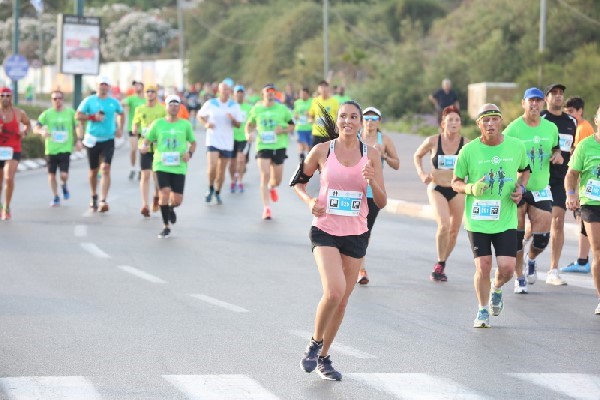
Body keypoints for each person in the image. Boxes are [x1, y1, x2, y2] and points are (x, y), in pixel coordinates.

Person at [292, 100, 386, 380]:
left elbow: (381, 201)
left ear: (361, 123)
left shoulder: (372, 154)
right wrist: (309, 201)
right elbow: (298, 181)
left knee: (343, 300)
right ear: (337, 122)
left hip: (356, 232)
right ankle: (314, 342)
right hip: (325, 229)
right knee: (333, 291)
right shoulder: (322, 150)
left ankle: (324, 357)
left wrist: (372, 182)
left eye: (353, 117)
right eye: (343, 116)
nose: (348, 121)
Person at [452, 104, 530, 328]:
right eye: (485, 120)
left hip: (505, 218)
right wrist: (471, 189)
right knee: (483, 266)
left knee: (506, 268)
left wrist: (521, 189)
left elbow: (525, 170)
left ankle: (496, 288)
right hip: (477, 219)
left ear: (501, 122)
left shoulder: (516, 147)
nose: (490, 124)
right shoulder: (468, 151)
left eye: (494, 119)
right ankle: (482, 310)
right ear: (479, 125)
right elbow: (455, 182)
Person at [504, 87, 563, 293]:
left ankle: (531, 259)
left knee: (542, 238)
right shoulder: (512, 129)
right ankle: (519, 277)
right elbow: (503, 153)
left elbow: (557, 147)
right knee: (517, 237)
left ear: (543, 104)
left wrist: (557, 154)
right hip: (518, 188)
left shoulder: (550, 128)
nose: (535, 104)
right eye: (531, 101)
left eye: (538, 101)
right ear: (524, 103)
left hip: (540, 188)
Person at [414, 105, 469, 282]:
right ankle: (439, 262)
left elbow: (475, 162)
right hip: (437, 187)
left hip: (457, 189)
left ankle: (442, 264)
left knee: (454, 231)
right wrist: (422, 174)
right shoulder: (432, 140)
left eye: (457, 120)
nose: (454, 123)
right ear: (443, 123)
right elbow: (417, 155)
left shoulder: (466, 143)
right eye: (450, 119)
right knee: (444, 224)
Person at [141, 95, 196, 239]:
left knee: (177, 200)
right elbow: (147, 140)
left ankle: (171, 208)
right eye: (170, 104)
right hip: (161, 164)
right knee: (164, 193)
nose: (173, 107)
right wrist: (144, 147)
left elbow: (193, 142)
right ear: (166, 107)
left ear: (179, 107)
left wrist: (189, 154)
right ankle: (166, 226)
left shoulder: (185, 125)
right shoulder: (158, 123)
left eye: (176, 104)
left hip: (179, 165)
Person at [357, 106, 399, 284]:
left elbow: (396, 164)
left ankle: (359, 267)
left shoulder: (385, 140)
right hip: (353, 190)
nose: (370, 122)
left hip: (372, 191)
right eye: (366, 118)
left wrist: (383, 156)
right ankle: (358, 268)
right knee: (353, 230)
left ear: (379, 121)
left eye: (374, 118)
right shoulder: (355, 137)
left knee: (365, 230)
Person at [564, 105, 600, 315]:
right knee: (598, 251)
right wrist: (571, 194)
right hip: (591, 204)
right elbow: (572, 174)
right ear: (596, 120)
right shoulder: (585, 146)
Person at [541, 83, 577, 284]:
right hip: (541, 177)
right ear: (546, 98)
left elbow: (573, 149)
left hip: (561, 179)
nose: (558, 97)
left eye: (561, 94)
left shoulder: (571, 121)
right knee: (540, 223)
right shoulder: (542, 120)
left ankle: (553, 270)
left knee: (557, 220)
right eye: (554, 93)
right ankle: (530, 253)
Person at [76, 75, 125, 213]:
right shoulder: (89, 101)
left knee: (106, 168)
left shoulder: (113, 102)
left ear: (109, 87)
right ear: (97, 86)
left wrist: (120, 128)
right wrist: (92, 117)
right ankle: (94, 195)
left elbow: (122, 113)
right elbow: (78, 115)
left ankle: (103, 200)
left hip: (108, 139)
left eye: (106, 85)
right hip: (92, 139)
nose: (103, 87)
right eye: (101, 84)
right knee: (93, 171)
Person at [245, 83, 295, 220]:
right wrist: (247, 135)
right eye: (267, 91)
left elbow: (292, 126)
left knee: (277, 180)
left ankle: (272, 187)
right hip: (263, 145)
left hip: (279, 146)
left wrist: (282, 130)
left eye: (272, 91)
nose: (270, 93)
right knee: (264, 175)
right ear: (263, 93)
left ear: (275, 94)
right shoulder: (257, 109)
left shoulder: (282, 109)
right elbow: (249, 125)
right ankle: (266, 208)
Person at [561, 96, 594, 273]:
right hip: (585, 190)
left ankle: (583, 260)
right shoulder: (579, 127)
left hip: (586, 188)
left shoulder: (582, 128)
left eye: (572, 112)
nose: (570, 116)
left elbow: (580, 162)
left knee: (585, 221)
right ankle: (582, 260)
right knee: (584, 222)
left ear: (580, 111)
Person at [197, 80, 242, 205]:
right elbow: (200, 115)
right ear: (219, 91)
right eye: (224, 89)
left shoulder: (234, 106)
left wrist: (233, 119)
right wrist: (206, 124)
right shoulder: (211, 103)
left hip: (227, 142)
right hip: (213, 139)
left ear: (230, 91)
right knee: (212, 166)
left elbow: (238, 124)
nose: (226, 92)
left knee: (221, 172)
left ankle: (217, 191)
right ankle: (210, 187)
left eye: (228, 90)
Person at [34, 90, 79, 207]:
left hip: (65, 148)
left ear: (63, 100)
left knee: (64, 175)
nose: (57, 101)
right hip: (51, 149)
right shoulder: (47, 114)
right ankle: (55, 196)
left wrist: (79, 140)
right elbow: (36, 128)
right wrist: (41, 131)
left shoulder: (70, 112)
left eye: (59, 98)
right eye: (55, 99)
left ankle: (64, 185)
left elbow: (78, 125)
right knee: (51, 174)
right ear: (51, 100)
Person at [132, 84, 166, 217]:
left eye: (152, 92)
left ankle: (156, 195)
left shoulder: (162, 109)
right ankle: (145, 204)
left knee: (156, 176)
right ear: (145, 94)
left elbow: (166, 123)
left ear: (156, 94)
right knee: (145, 174)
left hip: (158, 147)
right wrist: (135, 129)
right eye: (148, 92)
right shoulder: (140, 109)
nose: (150, 94)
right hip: (145, 146)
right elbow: (135, 122)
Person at [0, 87, 32, 220]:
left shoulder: (19, 113)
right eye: (2, 95)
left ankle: (7, 207)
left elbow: (28, 124)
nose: (5, 98)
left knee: (9, 178)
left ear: (11, 98)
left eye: (8, 95)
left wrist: (24, 132)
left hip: (13, 149)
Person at [230, 85, 253, 193]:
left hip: (244, 138)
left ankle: (240, 181)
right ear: (234, 95)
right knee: (232, 163)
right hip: (231, 138)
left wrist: (251, 133)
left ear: (243, 94)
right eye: (237, 93)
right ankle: (233, 180)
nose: (239, 95)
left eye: (241, 93)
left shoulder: (248, 108)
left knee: (241, 160)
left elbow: (253, 122)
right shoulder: (230, 106)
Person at [122, 81, 146, 180]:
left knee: (142, 150)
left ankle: (141, 169)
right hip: (133, 128)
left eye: (138, 85)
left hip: (144, 129)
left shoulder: (146, 100)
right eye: (134, 86)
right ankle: (132, 168)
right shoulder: (131, 98)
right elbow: (123, 104)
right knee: (133, 149)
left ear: (142, 87)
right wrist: (125, 107)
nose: (136, 87)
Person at [308, 80, 339, 148]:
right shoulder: (315, 101)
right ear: (318, 89)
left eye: (325, 86)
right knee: (315, 156)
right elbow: (311, 114)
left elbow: (338, 116)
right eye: (321, 87)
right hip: (317, 133)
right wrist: (310, 119)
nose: (323, 89)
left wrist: (337, 128)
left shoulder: (334, 102)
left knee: (329, 156)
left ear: (328, 88)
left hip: (329, 134)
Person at [294, 87, 313, 161]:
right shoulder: (297, 102)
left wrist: (309, 114)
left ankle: (309, 158)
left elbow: (315, 113)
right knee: (301, 143)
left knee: (309, 147)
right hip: (300, 127)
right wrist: (296, 116)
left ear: (308, 94)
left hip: (310, 127)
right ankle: (301, 155)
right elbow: (295, 114)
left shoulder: (312, 101)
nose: (302, 96)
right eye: (301, 94)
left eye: (304, 94)